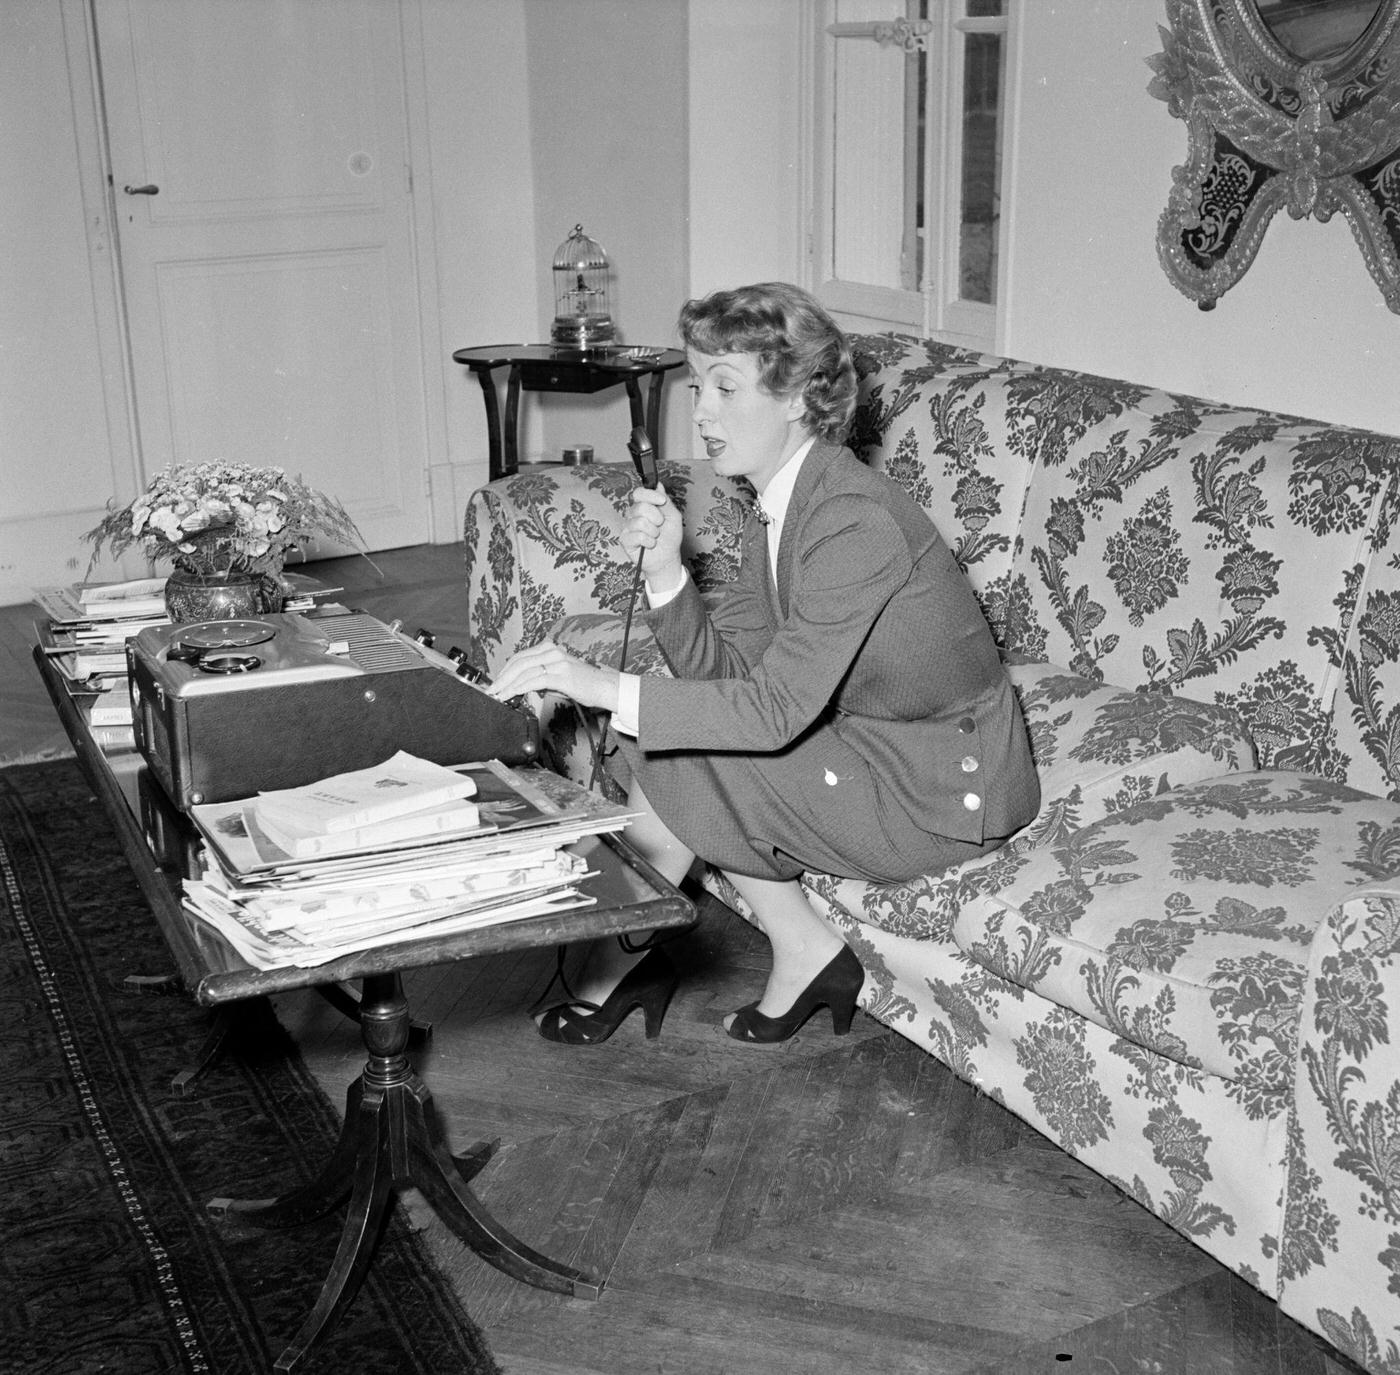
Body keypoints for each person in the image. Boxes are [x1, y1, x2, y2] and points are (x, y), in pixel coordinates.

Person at [488, 282, 1038, 1045]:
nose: (702, 413)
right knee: (675, 728)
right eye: (697, 386)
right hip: (868, 742)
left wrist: (602, 685)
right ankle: (768, 948)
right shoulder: (779, 506)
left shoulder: (852, 520)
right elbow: (725, 678)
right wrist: (665, 571)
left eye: (725, 387)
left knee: (673, 738)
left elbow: (772, 710)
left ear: (797, 398)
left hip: (939, 791)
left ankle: (637, 959)